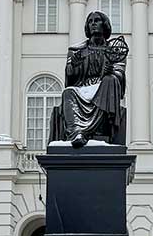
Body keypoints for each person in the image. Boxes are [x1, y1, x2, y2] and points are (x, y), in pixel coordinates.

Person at [54, 10, 127, 147]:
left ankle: (99, 127)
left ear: (104, 24)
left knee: (110, 80)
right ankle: (77, 132)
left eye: (97, 20)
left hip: (103, 89)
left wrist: (111, 72)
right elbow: (70, 77)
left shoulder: (115, 50)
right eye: (90, 21)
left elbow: (120, 73)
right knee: (68, 92)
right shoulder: (77, 50)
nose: (93, 24)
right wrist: (74, 65)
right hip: (82, 89)